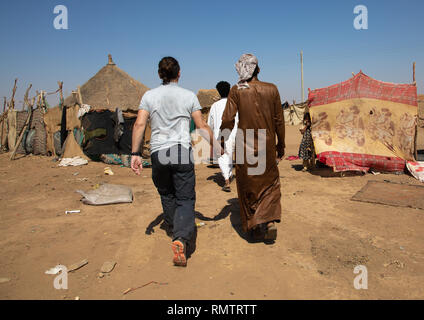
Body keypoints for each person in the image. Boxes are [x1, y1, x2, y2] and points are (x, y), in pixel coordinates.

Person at [131, 57, 222, 267]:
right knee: (185, 197)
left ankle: (173, 227)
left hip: (158, 152)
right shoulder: (188, 96)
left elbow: (139, 124)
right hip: (181, 152)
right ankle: (180, 236)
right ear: (179, 73)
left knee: (166, 193)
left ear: (159, 74)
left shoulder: (148, 96)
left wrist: (135, 153)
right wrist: (216, 147)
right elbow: (201, 126)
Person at [220, 53, 285, 241]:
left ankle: (256, 226)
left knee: (248, 184)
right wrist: (281, 145)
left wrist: (223, 141)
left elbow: (227, 119)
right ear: (258, 69)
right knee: (270, 183)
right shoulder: (272, 89)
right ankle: (269, 221)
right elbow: (279, 120)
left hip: (244, 144)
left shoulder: (236, 90)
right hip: (267, 143)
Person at [207, 81, 239, 192]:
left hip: (219, 134)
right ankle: (229, 175)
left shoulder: (214, 106)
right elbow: (238, 120)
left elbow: (210, 123)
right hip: (233, 134)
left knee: (222, 157)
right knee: (229, 155)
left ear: (219, 92)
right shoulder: (234, 104)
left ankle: (226, 180)